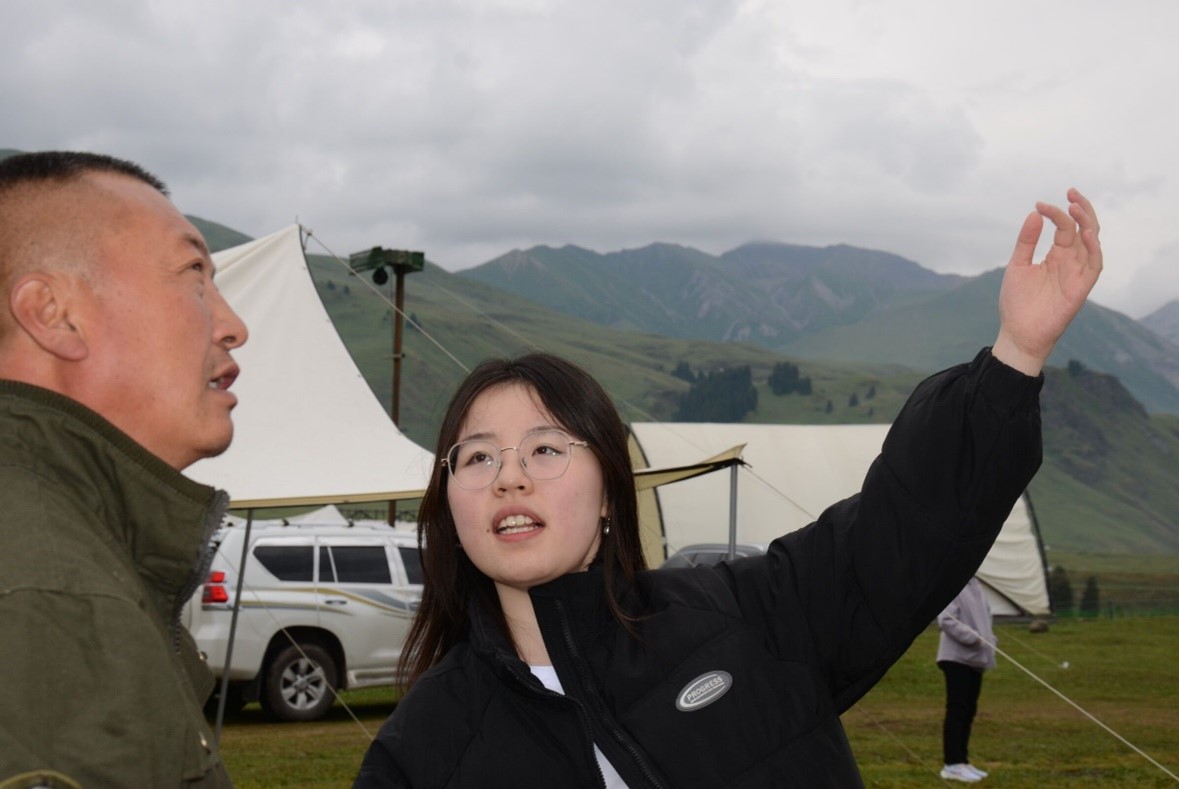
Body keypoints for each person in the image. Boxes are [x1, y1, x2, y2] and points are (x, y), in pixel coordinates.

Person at [354, 188, 1101, 788]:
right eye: (477, 458)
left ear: (609, 491)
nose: (510, 475)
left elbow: (903, 529)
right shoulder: (422, 749)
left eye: (546, 448)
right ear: (449, 505)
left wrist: (1014, 354)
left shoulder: (749, 617)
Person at [0, 151, 247, 787]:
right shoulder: (55, 598)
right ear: (53, 314)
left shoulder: (65, 552)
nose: (233, 326)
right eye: (193, 273)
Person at [936, 576, 997, 783]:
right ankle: (951, 764)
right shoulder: (954, 584)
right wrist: (973, 638)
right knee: (958, 710)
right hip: (956, 658)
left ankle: (962, 761)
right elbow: (946, 619)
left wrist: (990, 641)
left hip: (975, 660)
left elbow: (985, 618)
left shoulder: (976, 586)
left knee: (969, 711)